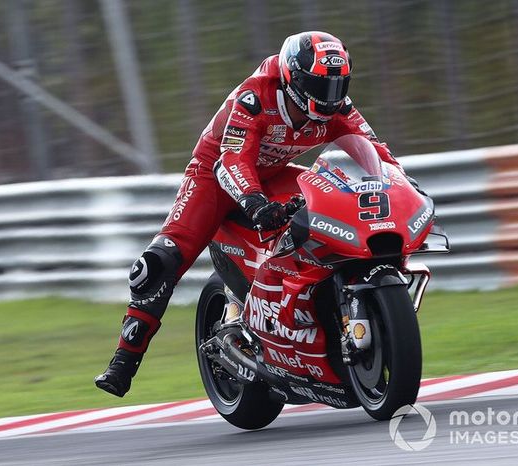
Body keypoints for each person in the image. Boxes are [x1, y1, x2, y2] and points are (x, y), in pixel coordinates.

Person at [95, 31, 420, 397]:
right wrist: (253, 201)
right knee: (158, 264)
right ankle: (124, 361)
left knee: (335, 209)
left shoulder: (338, 106)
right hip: (214, 175)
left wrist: (401, 185)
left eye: (337, 85)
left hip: (277, 172)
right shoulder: (256, 97)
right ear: (292, 78)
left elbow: (376, 153)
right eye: (319, 85)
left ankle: (316, 313)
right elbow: (231, 158)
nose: (329, 96)